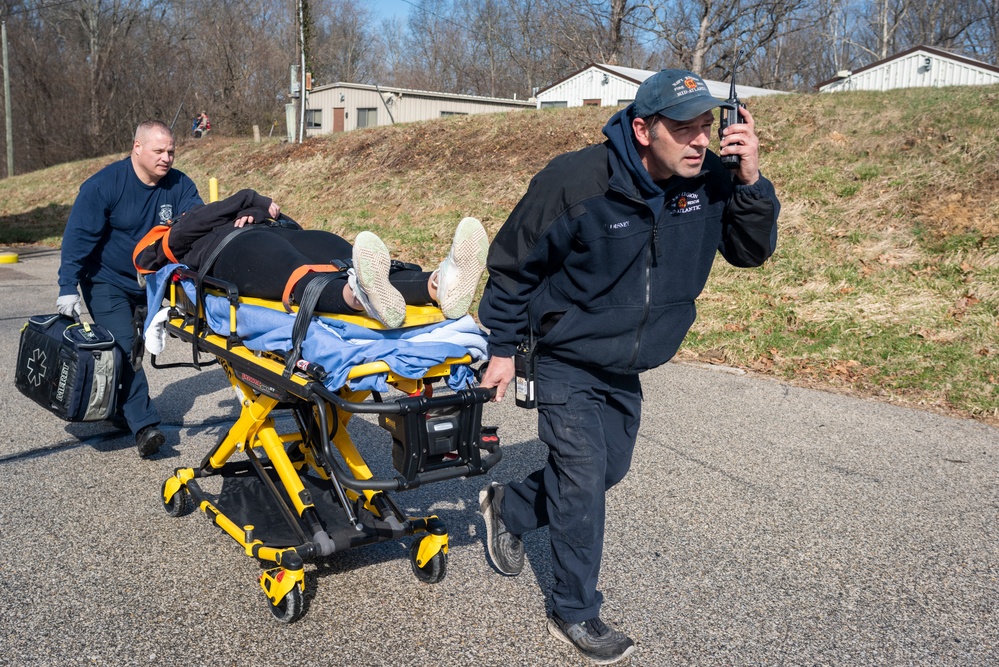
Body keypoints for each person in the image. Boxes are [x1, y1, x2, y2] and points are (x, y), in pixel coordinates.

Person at [476, 69, 780, 664]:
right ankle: (574, 611)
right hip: (563, 351)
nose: (700, 140)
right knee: (584, 479)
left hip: (626, 358)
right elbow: (515, 265)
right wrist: (503, 348)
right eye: (684, 128)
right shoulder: (576, 181)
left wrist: (750, 182)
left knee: (607, 470)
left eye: (706, 126)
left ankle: (508, 507)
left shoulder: (711, 180)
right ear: (643, 129)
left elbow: (751, 253)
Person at [133, 188, 489, 328]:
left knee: (341, 256)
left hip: (280, 233)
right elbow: (146, 258)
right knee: (300, 274)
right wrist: (246, 201)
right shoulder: (170, 235)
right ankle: (359, 297)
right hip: (232, 250)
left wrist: (261, 213)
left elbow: (284, 218)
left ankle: (438, 282)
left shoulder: (227, 215)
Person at [57, 120, 204, 458]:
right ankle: (145, 425)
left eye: (171, 151)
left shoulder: (179, 184)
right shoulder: (104, 185)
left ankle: (119, 408)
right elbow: (77, 239)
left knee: (134, 349)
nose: (166, 158)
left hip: (150, 281)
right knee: (123, 346)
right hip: (105, 279)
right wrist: (67, 286)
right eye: (159, 151)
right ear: (137, 148)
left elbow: (197, 220)